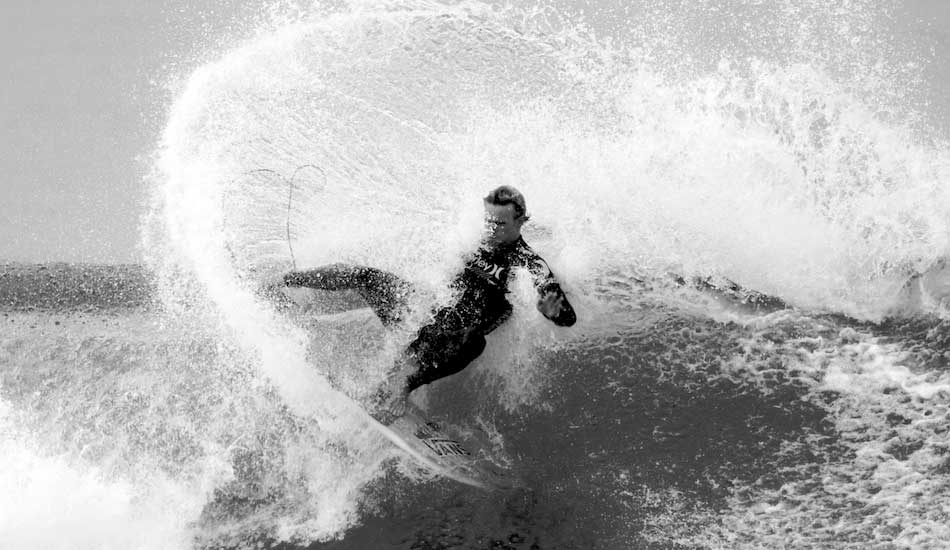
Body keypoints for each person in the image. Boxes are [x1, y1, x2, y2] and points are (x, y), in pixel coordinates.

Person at [282, 185, 576, 420]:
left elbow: (567, 317)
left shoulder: (529, 263)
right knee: (366, 276)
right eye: (488, 220)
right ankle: (286, 281)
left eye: (500, 223)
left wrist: (553, 312)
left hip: (455, 340)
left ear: (521, 221)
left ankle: (400, 386)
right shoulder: (473, 239)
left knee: (472, 338)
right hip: (424, 318)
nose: (491, 229)